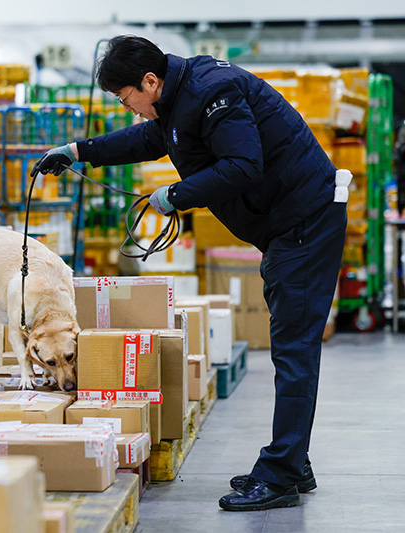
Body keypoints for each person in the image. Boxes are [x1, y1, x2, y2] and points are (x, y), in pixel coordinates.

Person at [32, 35, 348, 512]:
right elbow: (151, 138)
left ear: (150, 81)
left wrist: (175, 195)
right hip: (287, 224)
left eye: (127, 99)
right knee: (292, 345)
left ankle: (282, 473)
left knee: (294, 348)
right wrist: (79, 151)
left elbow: (244, 165)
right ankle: (294, 459)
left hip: (305, 223)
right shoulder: (178, 97)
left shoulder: (214, 92)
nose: (130, 109)